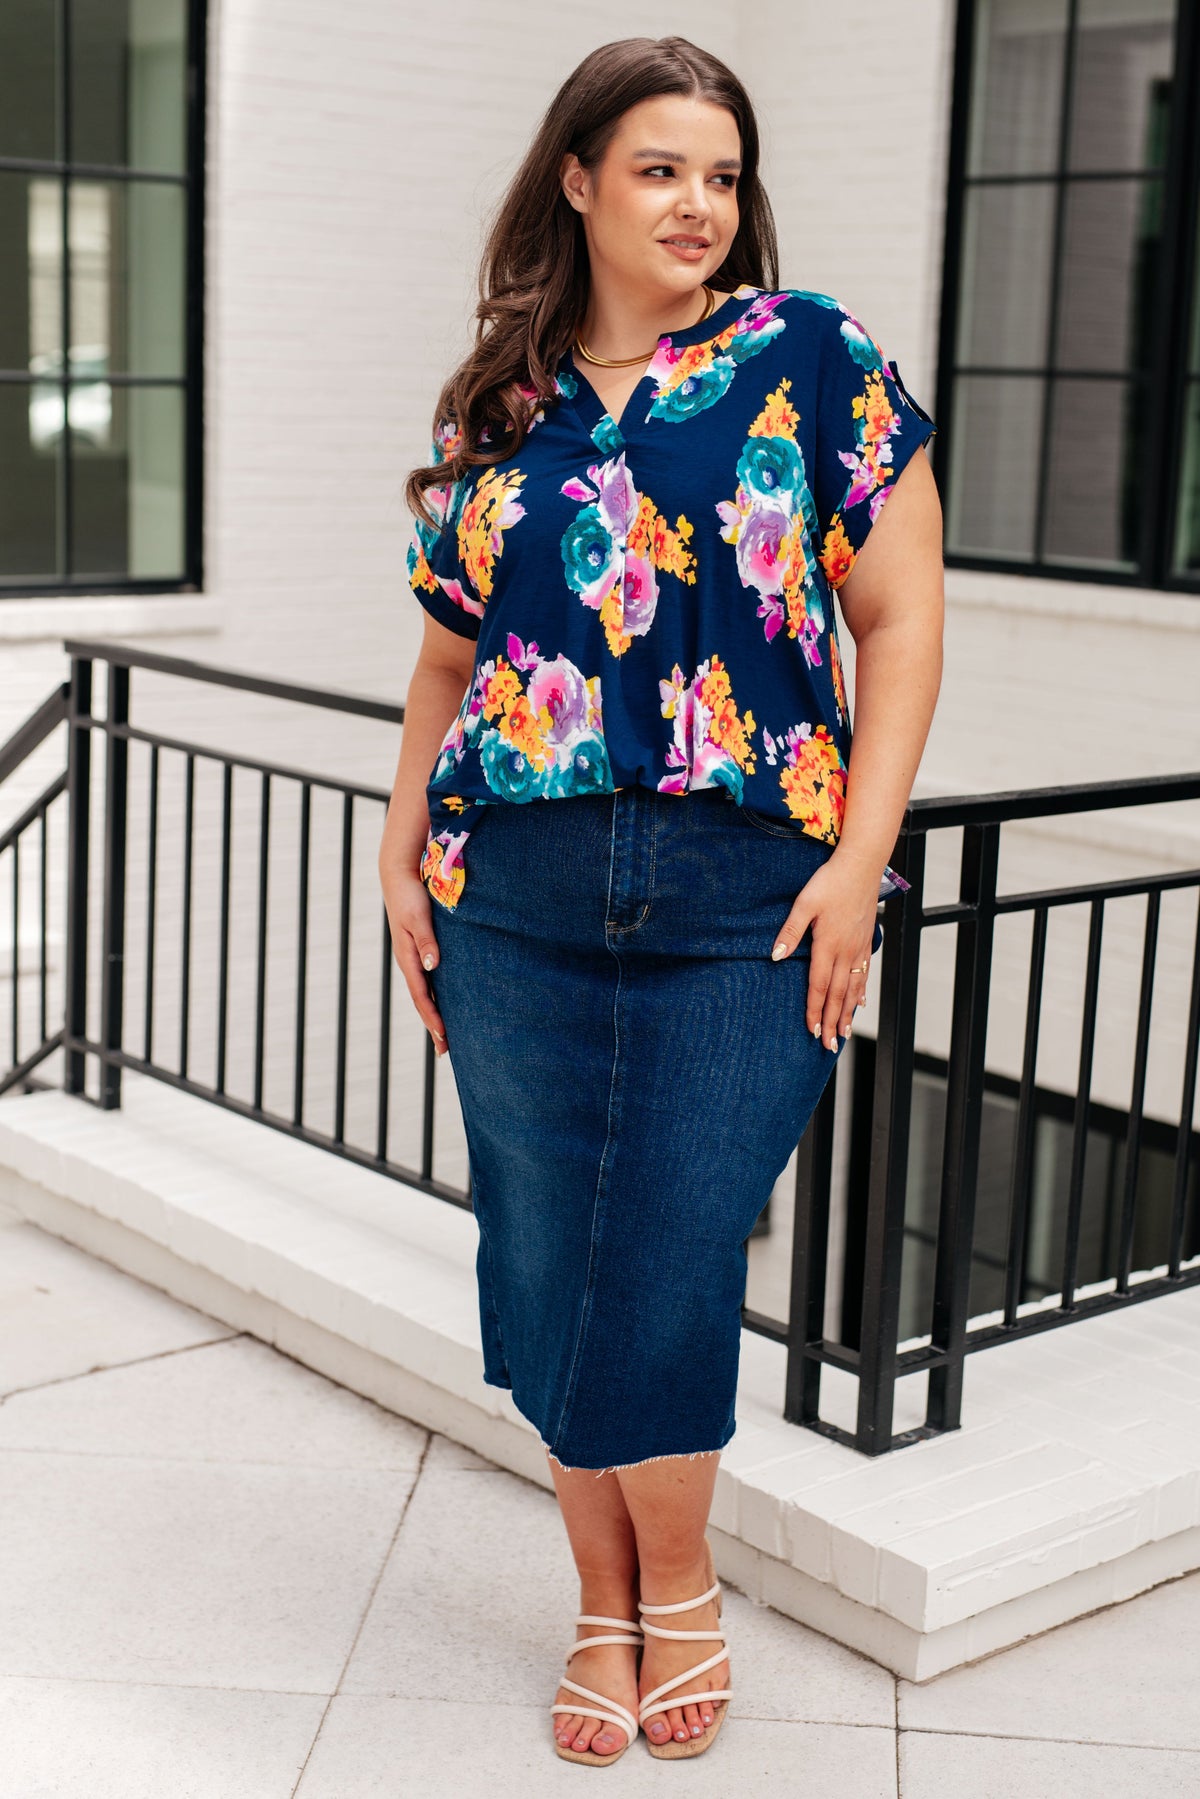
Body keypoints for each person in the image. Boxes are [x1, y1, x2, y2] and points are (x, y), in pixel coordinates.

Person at [378, 34, 943, 1766]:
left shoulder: (809, 358)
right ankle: (601, 1607)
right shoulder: (503, 407)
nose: (698, 204)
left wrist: (861, 863)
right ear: (579, 180)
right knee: (549, 1250)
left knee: (679, 1249)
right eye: (659, 170)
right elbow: (448, 663)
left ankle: (673, 1591)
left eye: (721, 173)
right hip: (517, 885)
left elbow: (903, 622)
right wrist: (399, 850)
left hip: (745, 893)